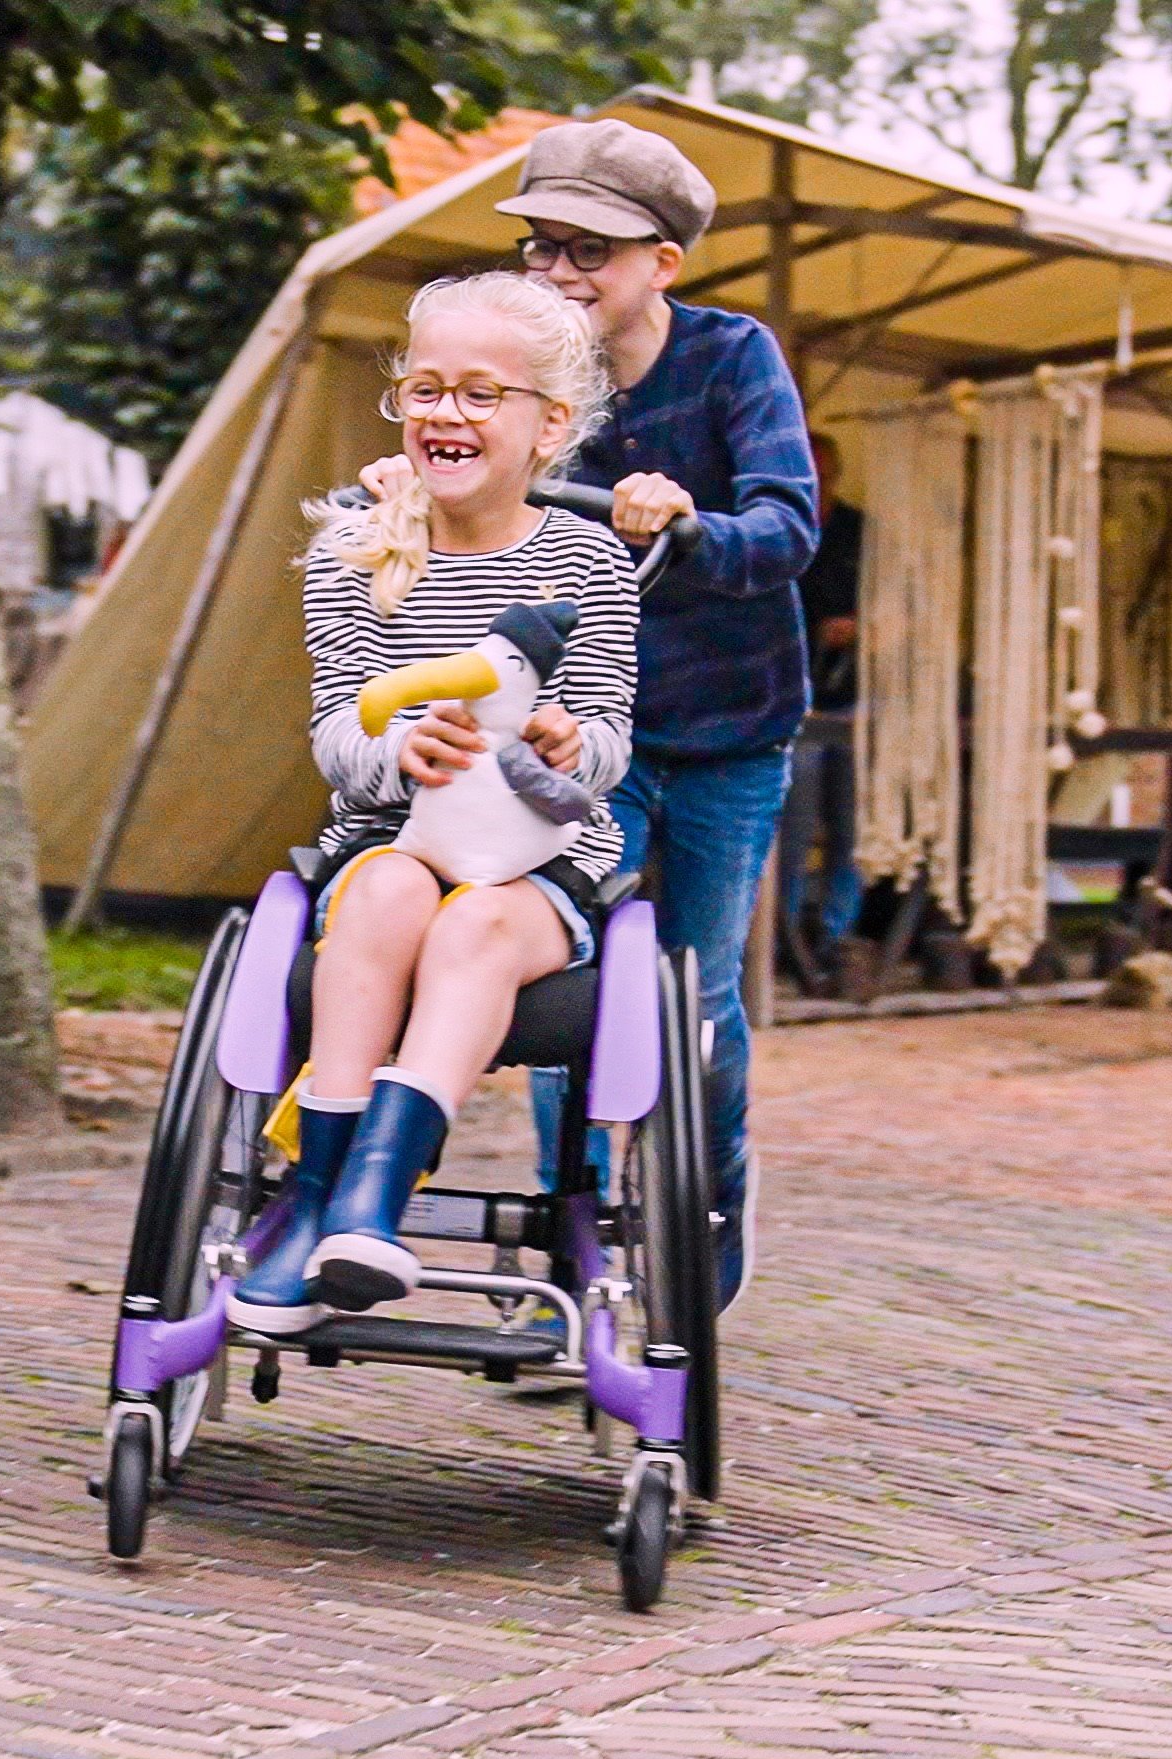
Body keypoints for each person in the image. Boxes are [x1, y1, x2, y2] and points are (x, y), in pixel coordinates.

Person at [367, 120, 816, 1310]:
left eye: (590, 253)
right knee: (559, 982)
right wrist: (411, 490)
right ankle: (574, 1246)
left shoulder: (729, 361)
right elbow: (463, 491)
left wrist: (683, 525)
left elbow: (788, 529)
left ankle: (704, 1222)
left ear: (661, 264)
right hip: (567, 732)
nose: (558, 275)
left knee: (697, 994)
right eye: (540, 247)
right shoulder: (515, 372)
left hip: (725, 729)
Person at [229, 270, 637, 1334]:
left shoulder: (589, 559)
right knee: (387, 898)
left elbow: (605, 735)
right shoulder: (351, 554)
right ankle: (318, 1196)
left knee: (476, 927)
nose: (442, 414)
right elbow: (333, 731)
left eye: (476, 394)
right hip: (391, 839)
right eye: (422, 390)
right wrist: (398, 747)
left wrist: (564, 742)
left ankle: (371, 1197)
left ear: (548, 425)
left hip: (532, 858)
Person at [778, 432, 864, 950]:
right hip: (794, 700)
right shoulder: (781, 529)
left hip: (852, 699)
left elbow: (899, 608)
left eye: (826, 476)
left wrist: (863, 626)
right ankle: (783, 934)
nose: (818, 486)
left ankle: (836, 936)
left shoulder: (859, 533)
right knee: (793, 824)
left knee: (851, 826)